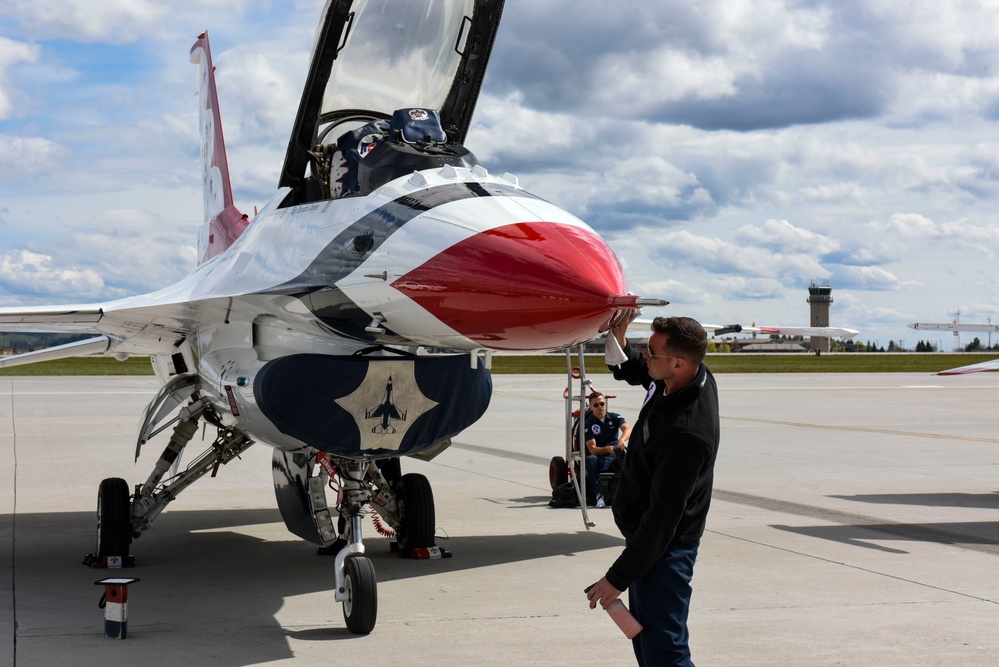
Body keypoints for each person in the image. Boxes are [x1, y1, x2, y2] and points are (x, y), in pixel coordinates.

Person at [586, 314, 720, 666]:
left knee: (665, 653)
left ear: (677, 362)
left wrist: (617, 579)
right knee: (646, 642)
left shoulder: (685, 435)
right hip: (649, 545)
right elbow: (637, 371)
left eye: (653, 353)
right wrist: (620, 338)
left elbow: (663, 520)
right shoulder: (682, 378)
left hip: (665, 551)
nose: (646, 357)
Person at [583, 392, 630, 508]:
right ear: (591, 406)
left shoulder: (614, 417)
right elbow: (592, 449)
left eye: (602, 403)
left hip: (615, 454)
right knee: (590, 459)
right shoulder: (589, 424)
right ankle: (599, 496)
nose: (600, 407)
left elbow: (628, 429)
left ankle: (630, 495)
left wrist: (622, 440)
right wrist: (606, 449)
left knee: (630, 458)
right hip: (601, 456)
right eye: (596, 405)